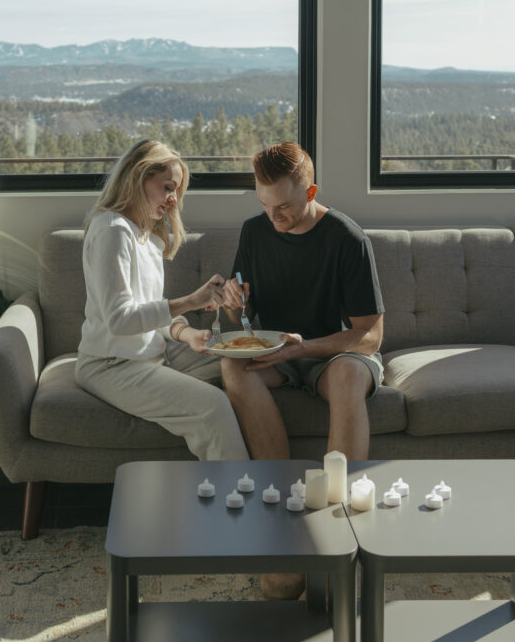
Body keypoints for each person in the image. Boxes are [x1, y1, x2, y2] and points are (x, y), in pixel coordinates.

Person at [221, 141, 384, 598]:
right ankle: (282, 507)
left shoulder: (347, 238)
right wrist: (234, 302)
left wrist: (305, 347)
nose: (274, 217)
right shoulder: (254, 232)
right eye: (265, 206)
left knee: (349, 375)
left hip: (333, 355)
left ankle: (335, 524)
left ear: (311, 191)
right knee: (234, 367)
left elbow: (370, 335)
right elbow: (240, 313)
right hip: (279, 354)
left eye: (284, 207)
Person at [75, 138, 249, 461]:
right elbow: (120, 320)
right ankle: (240, 491)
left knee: (242, 363)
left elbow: (149, 312)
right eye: (168, 187)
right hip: (111, 364)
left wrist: (187, 334)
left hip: (151, 354)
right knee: (213, 408)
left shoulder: (146, 237)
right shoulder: (112, 230)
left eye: (176, 191)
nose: (172, 199)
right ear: (138, 177)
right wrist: (191, 301)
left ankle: (275, 471)